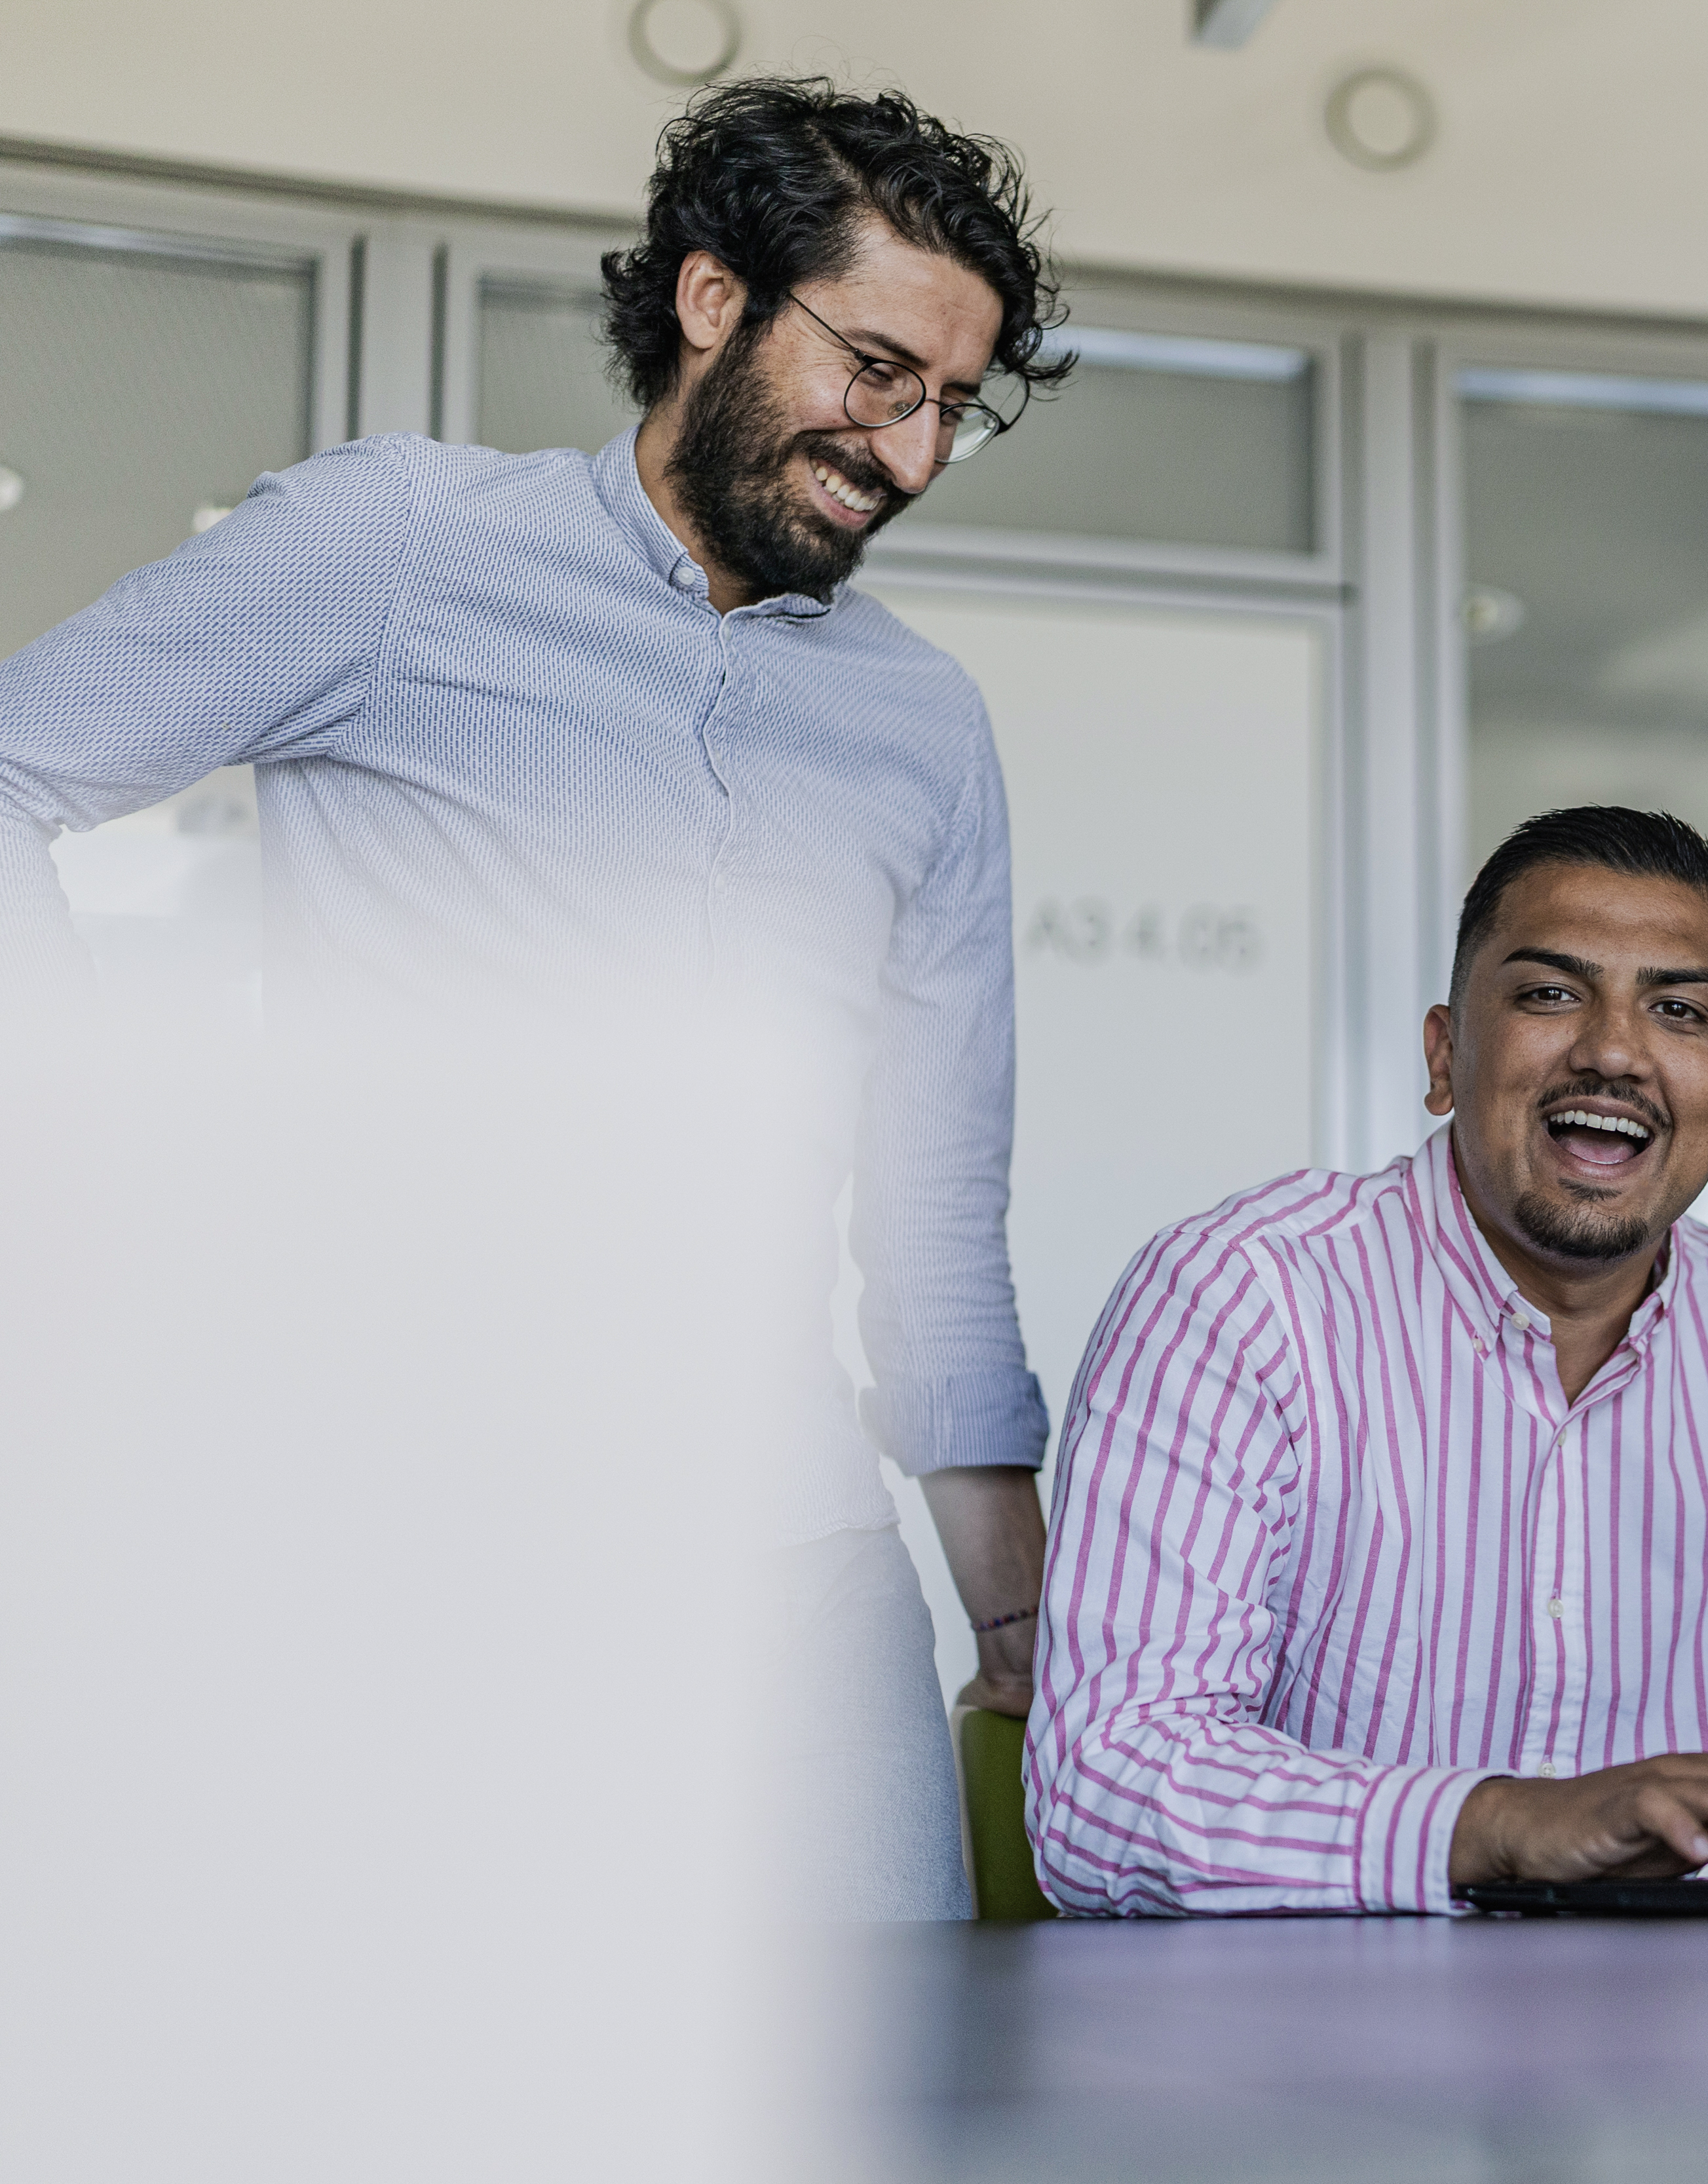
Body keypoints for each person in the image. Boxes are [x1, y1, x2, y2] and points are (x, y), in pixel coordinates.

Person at [0, 80, 1073, 1917]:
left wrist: (1018, 1616)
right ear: (715, 300)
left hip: (792, 1560)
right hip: (396, 1532)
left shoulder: (927, 732)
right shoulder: (401, 550)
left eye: (952, 409)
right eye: (878, 370)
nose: (905, 452)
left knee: (887, 2079)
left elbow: (932, 1212)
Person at [1028, 807, 1708, 1914]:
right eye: (1552, 994)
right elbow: (1100, 1793)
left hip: (1685, 2053)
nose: (1613, 1050)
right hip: (1300, 2046)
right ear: (1447, 1055)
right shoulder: (1241, 1303)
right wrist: (1505, 1823)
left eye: (1679, 1010)